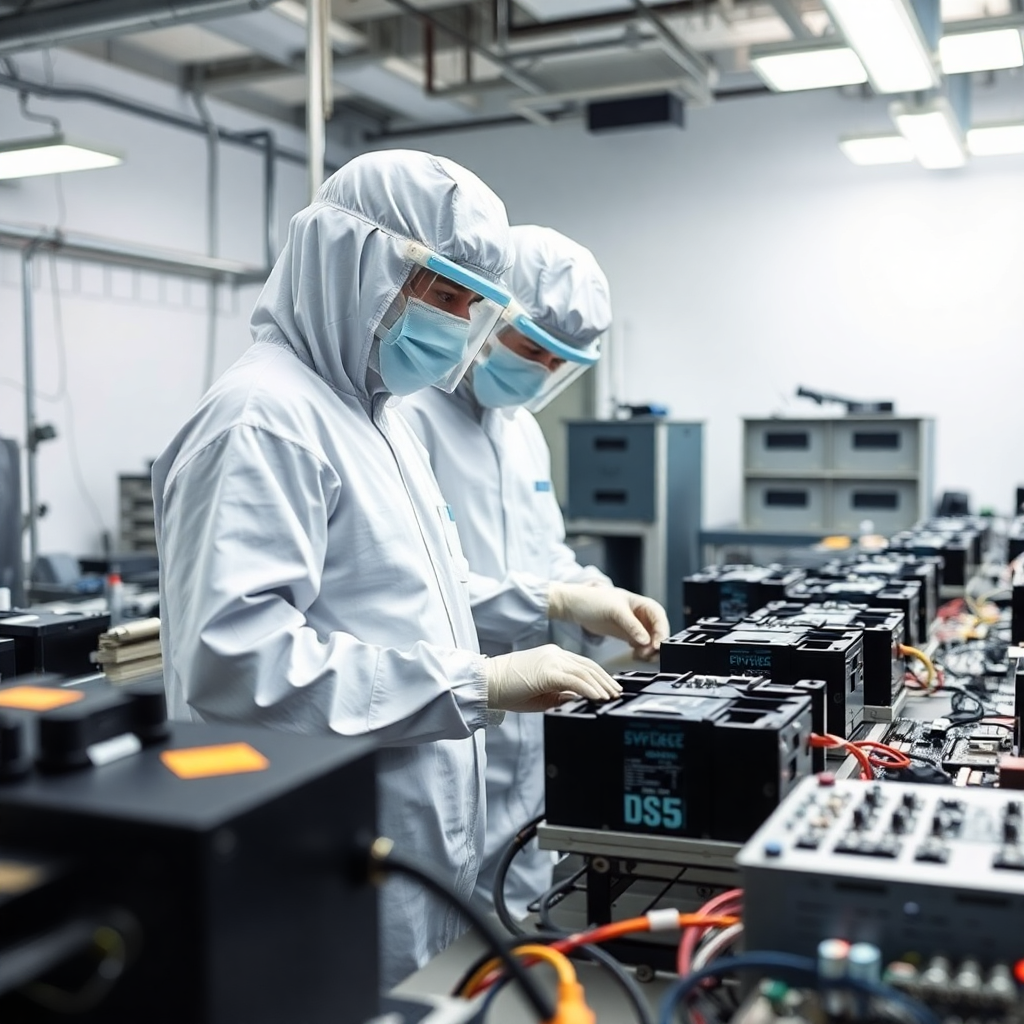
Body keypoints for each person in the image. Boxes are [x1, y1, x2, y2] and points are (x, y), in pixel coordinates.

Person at [152, 152, 627, 990]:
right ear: (354, 258)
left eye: (472, 303)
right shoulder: (263, 420)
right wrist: (478, 683)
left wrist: (561, 603)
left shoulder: (377, 417)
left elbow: (414, 605)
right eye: (444, 292)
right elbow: (239, 667)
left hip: (408, 830)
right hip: (330, 835)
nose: (459, 321)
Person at [400, 224, 670, 918]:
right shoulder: (406, 417)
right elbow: (421, 588)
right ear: (486, 316)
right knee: (442, 920)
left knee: (529, 908)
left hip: (533, 727)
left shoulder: (518, 428)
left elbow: (543, 551)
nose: (540, 373)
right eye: (531, 349)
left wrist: (601, 593)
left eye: (558, 363)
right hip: (450, 712)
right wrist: (553, 600)